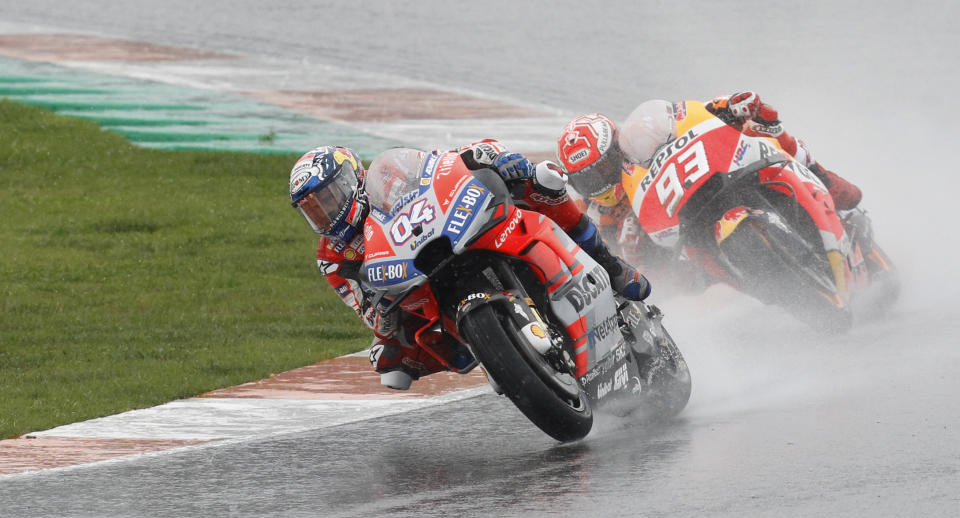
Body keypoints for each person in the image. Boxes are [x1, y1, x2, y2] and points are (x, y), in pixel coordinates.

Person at [288, 141, 650, 390]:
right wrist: (379, 310)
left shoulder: (386, 177)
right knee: (388, 360)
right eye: (313, 209)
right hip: (421, 287)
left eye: (329, 197)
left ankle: (609, 265)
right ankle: (498, 355)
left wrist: (487, 157)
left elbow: (437, 166)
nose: (326, 211)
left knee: (541, 182)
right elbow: (365, 311)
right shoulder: (333, 257)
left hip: (453, 232)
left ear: (353, 178)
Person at [556, 92, 872, 289]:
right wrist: (631, 258)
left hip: (705, 178)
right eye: (587, 181)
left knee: (758, 129)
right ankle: (763, 286)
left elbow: (692, 115)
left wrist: (731, 106)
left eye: (603, 170)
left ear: (617, 148)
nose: (599, 185)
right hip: (681, 247)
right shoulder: (595, 215)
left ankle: (823, 179)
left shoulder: (641, 134)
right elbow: (606, 260)